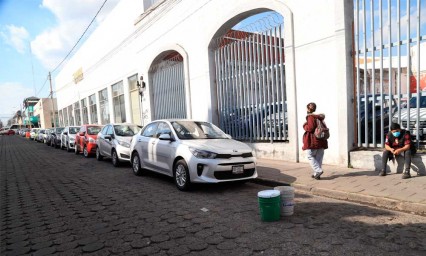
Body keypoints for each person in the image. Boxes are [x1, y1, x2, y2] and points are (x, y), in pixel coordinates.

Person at [302, 102, 328, 180]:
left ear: (308, 109)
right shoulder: (319, 118)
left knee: (310, 156)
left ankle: (318, 170)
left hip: (313, 140)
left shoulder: (310, 117)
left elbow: (310, 128)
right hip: (321, 140)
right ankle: (317, 174)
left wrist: (304, 125)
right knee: (319, 158)